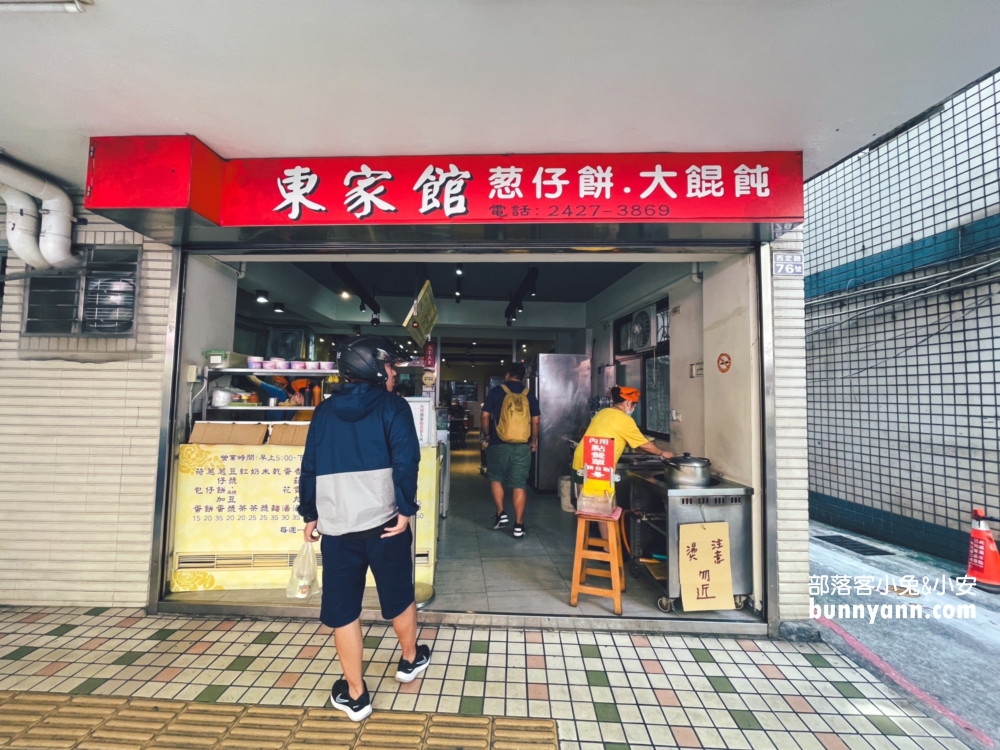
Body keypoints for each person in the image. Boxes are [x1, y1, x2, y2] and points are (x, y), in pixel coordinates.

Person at [297, 336, 430, 721]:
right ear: (372, 368)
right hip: (386, 523)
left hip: (338, 528)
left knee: (344, 611)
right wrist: (405, 508)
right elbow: (407, 459)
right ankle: (409, 660)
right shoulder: (394, 406)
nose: (392, 373)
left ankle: (356, 695)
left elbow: (310, 465)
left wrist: (310, 513)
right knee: (398, 594)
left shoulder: (323, 412)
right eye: (389, 367)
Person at [480, 362, 540, 538]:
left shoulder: (497, 392)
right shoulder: (529, 394)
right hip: (522, 446)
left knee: (496, 478)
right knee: (519, 485)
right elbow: (536, 421)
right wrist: (533, 441)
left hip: (498, 444)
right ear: (522, 377)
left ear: (507, 375)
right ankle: (519, 526)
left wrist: (487, 435)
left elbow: (485, 416)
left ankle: (501, 513)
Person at [572, 385, 674, 479]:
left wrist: (636, 447)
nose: (633, 409)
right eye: (634, 406)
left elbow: (612, 435)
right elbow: (644, 445)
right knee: (600, 498)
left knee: (586, 497)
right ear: (628, 402)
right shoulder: (624, 419)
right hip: (597, 463)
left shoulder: (602, 412)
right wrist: (662, 453)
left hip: (581, 459)